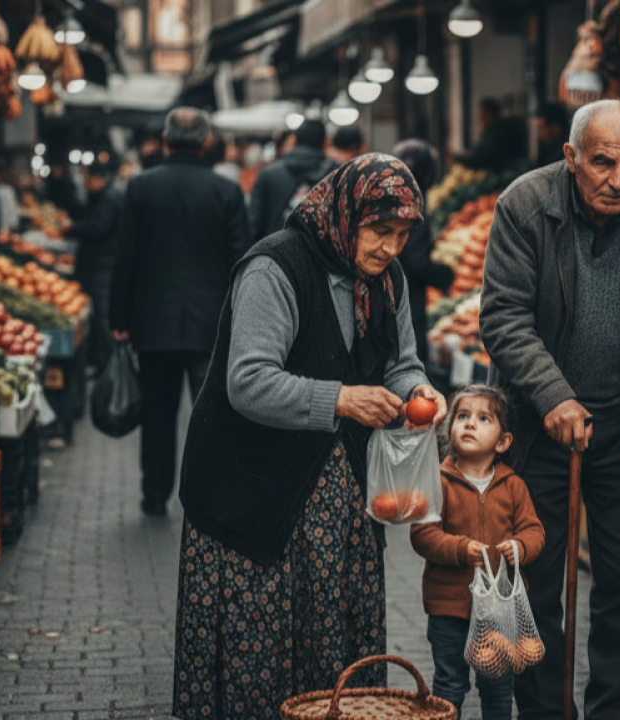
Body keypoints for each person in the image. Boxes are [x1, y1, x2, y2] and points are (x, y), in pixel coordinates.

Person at [172, 153, 447, 719]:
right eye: (380, 231)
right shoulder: (276, 268)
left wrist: (421, 389)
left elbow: (402, 361)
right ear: (347, 214)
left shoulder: (389, 280)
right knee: (262, 656)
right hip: (254, 496)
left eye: (401, 235)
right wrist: (342, 398)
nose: (391, 248)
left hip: (340, 499)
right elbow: (247, 382)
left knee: (333, 654)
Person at [479, 99, 620, 720]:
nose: (618, 179)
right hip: (538, 433)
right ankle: (547, 712)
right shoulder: (525, 206)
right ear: (571, 158)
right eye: (603, 162)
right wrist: (552, 395)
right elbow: (502, 317)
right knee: (534, 584)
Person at [109, 107, 250, 517]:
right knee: (213, 414)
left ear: (167, 140)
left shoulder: (140, 187)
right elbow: (242, 262)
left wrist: (118, 319)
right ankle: (212, 495)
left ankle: (155, 495)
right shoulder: (225, 190)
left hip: (153, 322)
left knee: (158, 413)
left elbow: (126, 258)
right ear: (206, 141)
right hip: (212, 323)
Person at [411, 384, 545, 720]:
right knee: (449, 686)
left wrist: (520, 546)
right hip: (449, 608)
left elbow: (534, 530)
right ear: (449, 428)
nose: (470, 424)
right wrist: (459, 549)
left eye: (483, 418)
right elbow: (422, 534)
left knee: (498, 687)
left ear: (503, 442)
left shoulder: (513, 485)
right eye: (462, 416)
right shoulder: (437, 481)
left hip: (500, 610)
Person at [392, 139, 455, 361]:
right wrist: (445, 276)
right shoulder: (413, 204)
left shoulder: (394, 197)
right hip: (407, 296)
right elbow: (417, 262)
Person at [63, 161, 124, 371]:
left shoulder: (108, 199)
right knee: (99, 315)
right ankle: (101, 361)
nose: (86, 183)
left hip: (103, 267)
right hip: (101, 265)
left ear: (97, 178)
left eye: (87, 179)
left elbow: (98, 228)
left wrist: (71, 229)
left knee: (101, 316)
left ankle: (106, 365)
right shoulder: (106, 197)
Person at [248, 119, 337, 242]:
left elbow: (253, 224)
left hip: (276, 253)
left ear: (294, 140)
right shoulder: (339, 174)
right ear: (326, 142)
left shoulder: (269, 174)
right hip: (322, 257)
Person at [458, 98, 527, 171]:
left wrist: (459, 159)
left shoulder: (500, 133)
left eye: (482, 116)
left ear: (489, 115)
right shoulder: (488, 131)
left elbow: (482, 159)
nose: (480, 120)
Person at [534, 102, 569, 167]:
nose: (539, 134)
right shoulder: (547, 150)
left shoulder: (565, 154)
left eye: (541, 128)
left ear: (555, 127)